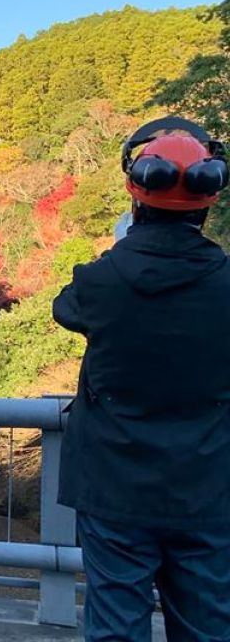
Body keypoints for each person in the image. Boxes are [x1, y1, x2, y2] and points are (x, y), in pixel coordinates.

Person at [53, 117, 230, 641]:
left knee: (115, 625)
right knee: (208, 627)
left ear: (135, 195)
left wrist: (123, 246)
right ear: (208, 199)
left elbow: (67, 309)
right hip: (208, 484)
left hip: (114, 483)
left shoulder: (100, 280)